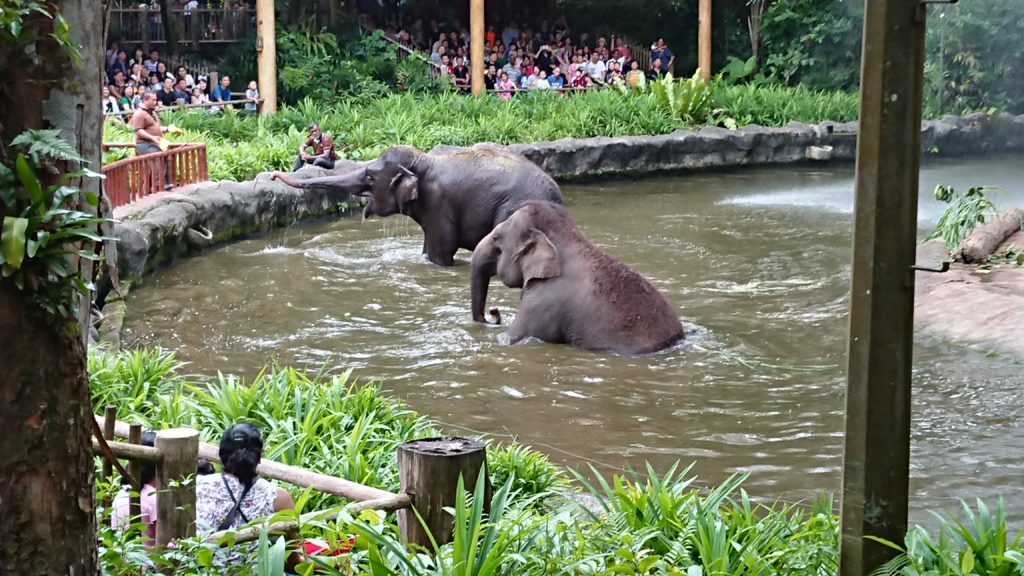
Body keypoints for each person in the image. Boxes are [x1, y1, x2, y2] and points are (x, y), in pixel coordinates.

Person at [195, 423, 302, 569]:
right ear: (259, 456)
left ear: (221, 454)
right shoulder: (278, 497)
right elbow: (293, 562)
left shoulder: (196, 486)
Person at [112, 432, 158, 543]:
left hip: (120, 557)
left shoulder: (121, 493)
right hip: (147, 559)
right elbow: (163, 542)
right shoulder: (152, 497)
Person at [130, 92, 177, 189]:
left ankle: (163, 183)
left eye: (156, 100)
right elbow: (138, 131)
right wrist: (152, 138)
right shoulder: (139, 114)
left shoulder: (153, 113)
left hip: (155, 143)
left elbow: (157, 128)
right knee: (157, 160)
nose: (155, 102)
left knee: (165, 159)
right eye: (153, 100)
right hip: (145, 144)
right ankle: (158, 185)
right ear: (146, 100)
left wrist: (168, 129)